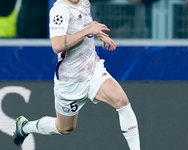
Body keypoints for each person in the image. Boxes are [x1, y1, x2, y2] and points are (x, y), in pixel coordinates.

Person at [12, 0, 140, 150]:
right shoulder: (59, 10)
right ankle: (26, 127)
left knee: (121, 100)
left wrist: (97, 33)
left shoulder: (84, 2)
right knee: (64, 128)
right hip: (70, 81)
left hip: (93, 71)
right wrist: (88, 31)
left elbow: (83, 23)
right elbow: (57, 45)